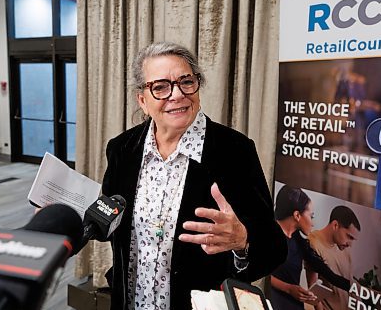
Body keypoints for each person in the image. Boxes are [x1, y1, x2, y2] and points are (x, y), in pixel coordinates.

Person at [101, 41, 287, 310]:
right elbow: (111, 220)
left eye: (186, 81)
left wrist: (244, 241)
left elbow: (275, 248)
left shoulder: (234, 151)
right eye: (161, 87)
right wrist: (72, 214)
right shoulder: (122, 149)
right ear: (142, 100)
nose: (177, 95)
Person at [269, 185, 350, 310]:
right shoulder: (268, 234)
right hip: (270, 302)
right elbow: (258, 274)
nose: (312, 223)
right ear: (297, 215)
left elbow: (329, 275)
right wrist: (289, 289)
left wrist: (359, 290)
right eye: (311, 216)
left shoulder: (301, 244)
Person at [307, 205, 361, 310]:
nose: (350, 244)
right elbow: (313, 291)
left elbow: (350, 282)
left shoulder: (344, 249)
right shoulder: (313, 243)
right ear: (335, 225)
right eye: (349, 237)